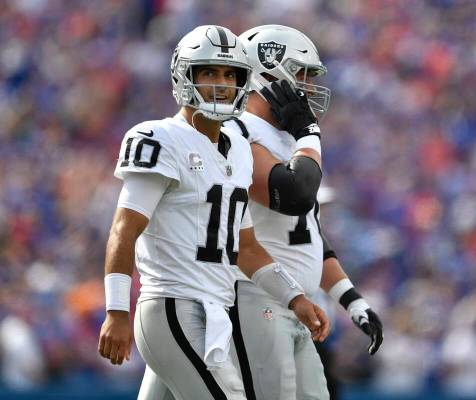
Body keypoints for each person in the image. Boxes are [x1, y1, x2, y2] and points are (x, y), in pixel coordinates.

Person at [139, 24, 383, 400]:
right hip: (241, 296)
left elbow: (309, 233)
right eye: (300, 74)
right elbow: (293, 195)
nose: (307, 85)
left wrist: (352, 300)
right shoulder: (236, 131)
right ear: (268, 73)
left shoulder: (290, 140)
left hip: (283, 300)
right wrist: (310, 133)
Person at [97, 25, 329, 400]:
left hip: (214, 311)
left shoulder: (237, 146)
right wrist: (115, 310)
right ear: (184, 76)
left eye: (230, 74)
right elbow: (124, 229)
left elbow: (246, 246)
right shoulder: (160, 138)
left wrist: (294, 298)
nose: (221, 83)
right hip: (173, 305)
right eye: (208, 72)